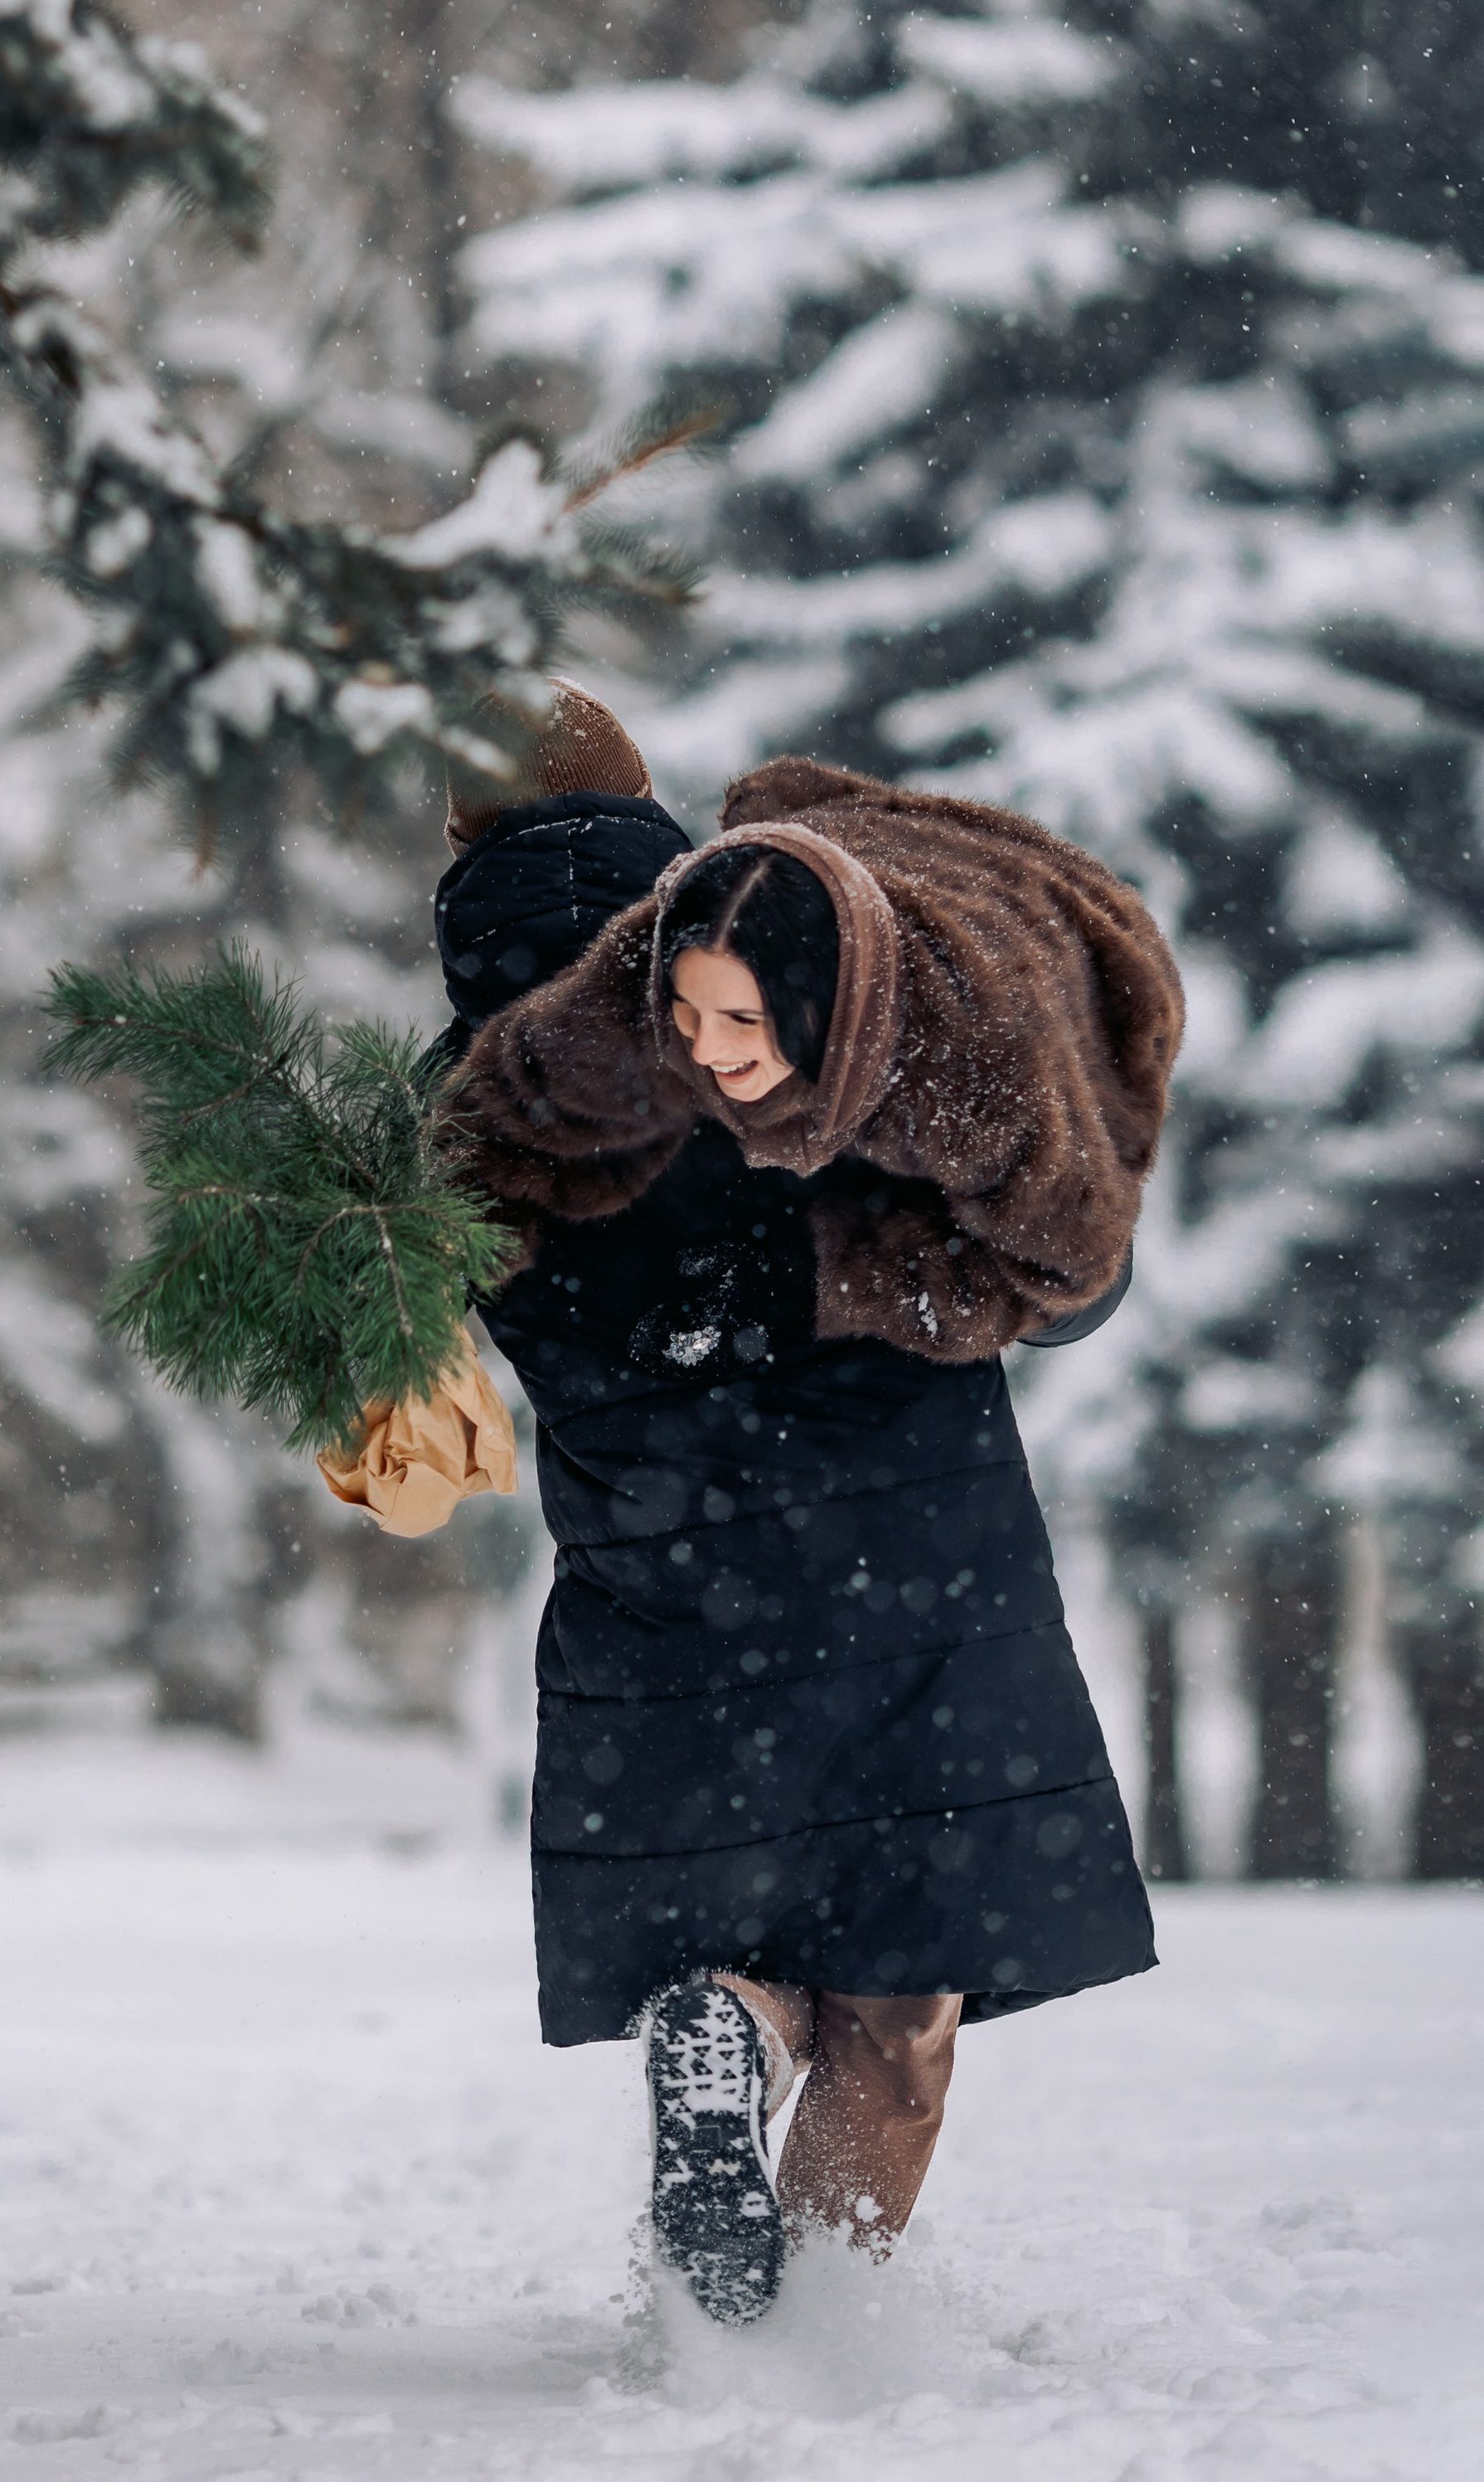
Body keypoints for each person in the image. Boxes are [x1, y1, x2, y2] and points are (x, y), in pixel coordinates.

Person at [432, 687, 1182, 2325]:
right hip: (911, 1560)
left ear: (457, 848)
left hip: (656, 1578)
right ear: (655, 823)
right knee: (898, 1992)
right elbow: (1054, 1265)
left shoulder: (456, 1096)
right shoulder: (804, 976)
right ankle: (809, 2346)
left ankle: (721, 2028)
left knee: (742, 1934)